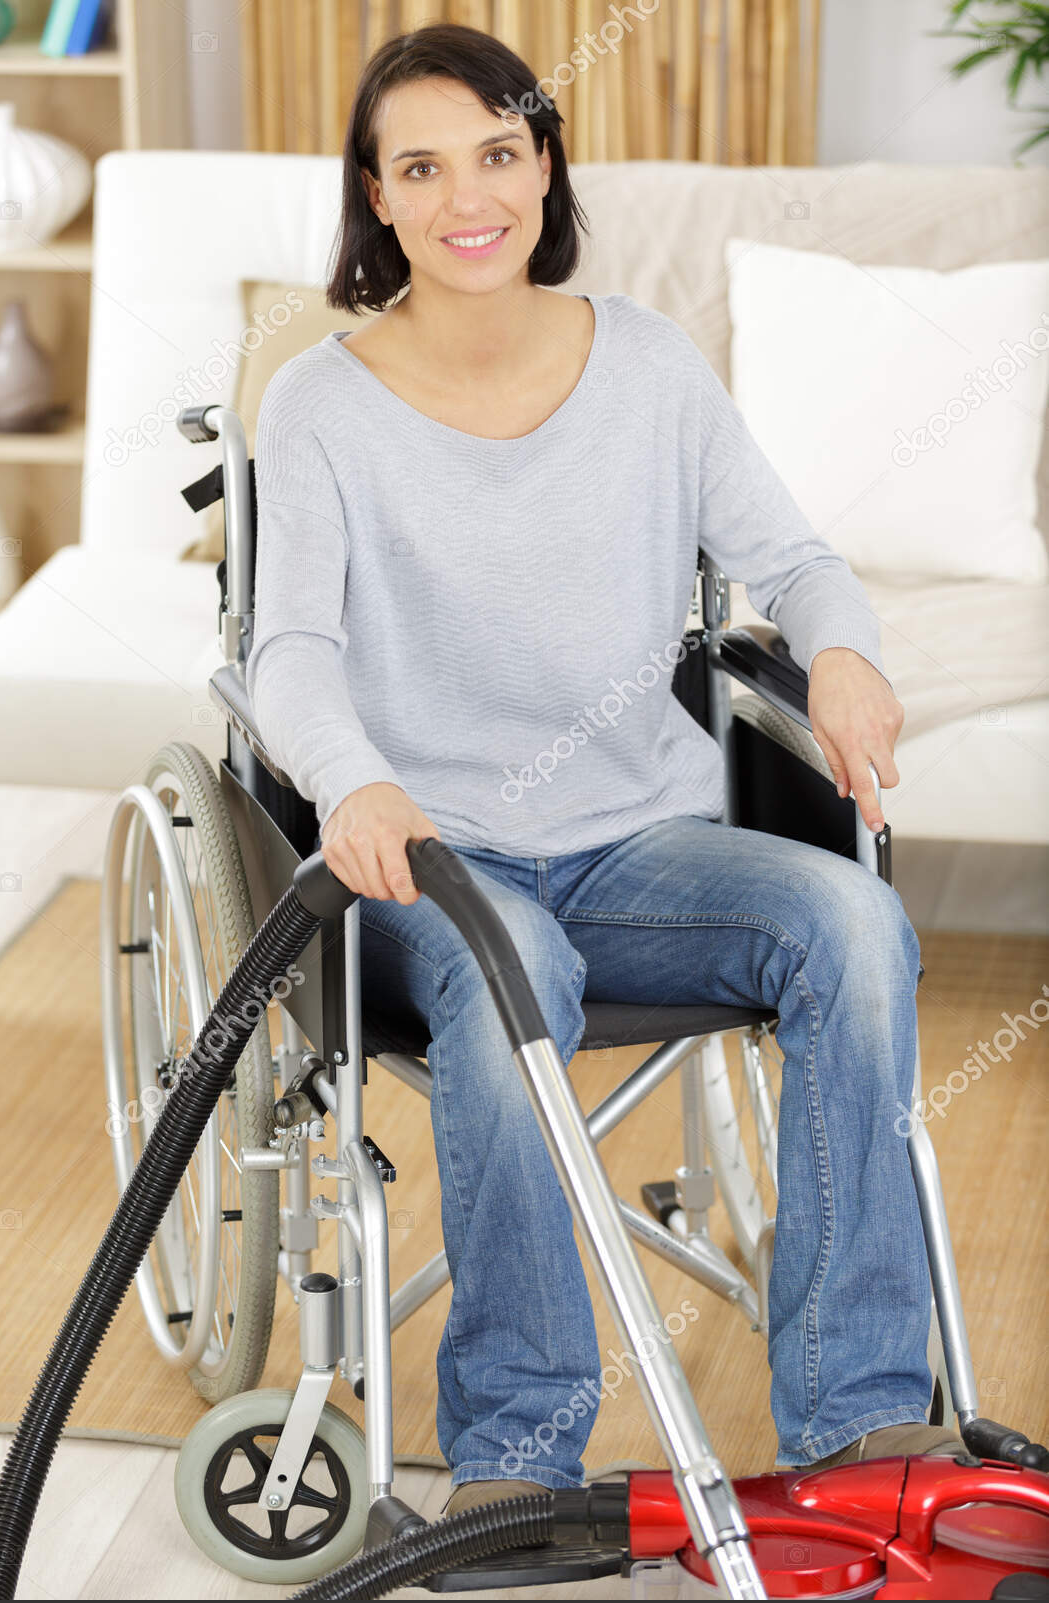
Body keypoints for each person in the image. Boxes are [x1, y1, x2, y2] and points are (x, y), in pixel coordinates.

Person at [247, 23, 964, 1522]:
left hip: (637, 845)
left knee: (853, 927)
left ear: (544, 166)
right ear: (378, 198)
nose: (469, 198)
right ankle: (516, 1460)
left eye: (499, 154)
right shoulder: (321, 405)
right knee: (515, 972)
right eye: (423, 166)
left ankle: (861, 1427)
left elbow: (798, 559)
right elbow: (290, 653)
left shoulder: (647, 362)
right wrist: (355, 781)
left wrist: (841, 649)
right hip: (430, 863)